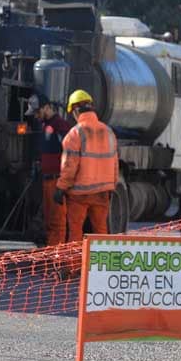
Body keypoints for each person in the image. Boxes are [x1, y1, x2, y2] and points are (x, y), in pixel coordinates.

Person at [54, 89, 119, 247]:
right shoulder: (108, 132)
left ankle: (75, 263)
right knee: (101, 231)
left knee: (76, 232)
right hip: (102, 192)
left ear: (76, 111)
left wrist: (61, 187)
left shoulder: (75, 134)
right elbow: (115, 164)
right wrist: (112, 186)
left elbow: (69, 165)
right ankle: (101, 262)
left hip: (79, 194)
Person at [25, 93, 71, 246]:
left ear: (47, 107)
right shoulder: (46, 126)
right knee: (50, 221)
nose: (36, 116)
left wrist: (63, 183)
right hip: (47, 180)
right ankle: (52, 251)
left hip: (57, 180)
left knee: (57, 221)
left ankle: (56, 254)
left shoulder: (61, 126)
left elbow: (70, 154)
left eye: (37, 112)